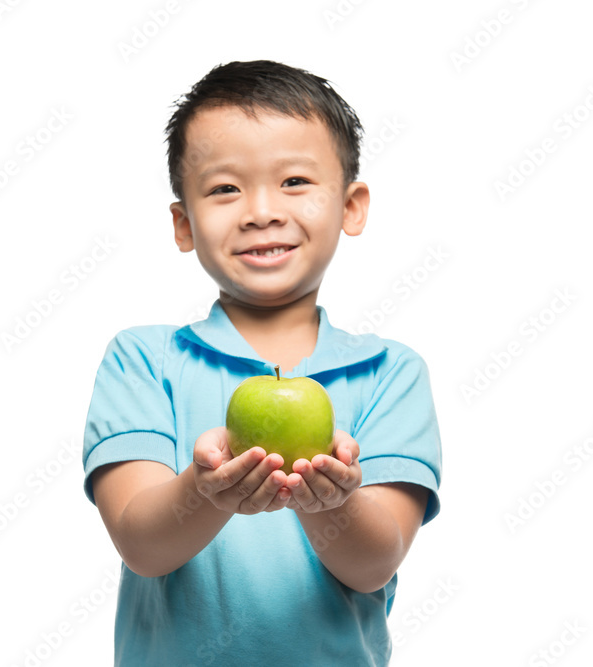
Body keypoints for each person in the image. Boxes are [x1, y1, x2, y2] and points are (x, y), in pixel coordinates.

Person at [81, 59, 442, 666]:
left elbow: (375, 563)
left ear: (351, 206)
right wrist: (206, 492)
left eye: (295, 181)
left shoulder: (389, 372)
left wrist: (333, 503)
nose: (261, 211)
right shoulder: (144, 360)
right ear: (183, 223)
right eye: (225, 188)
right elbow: (142, 544)